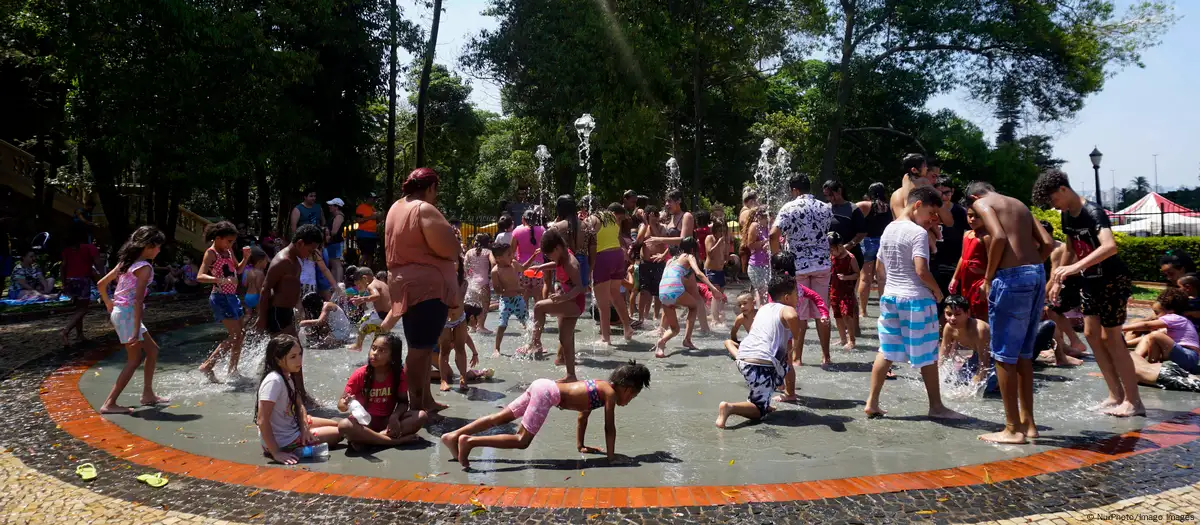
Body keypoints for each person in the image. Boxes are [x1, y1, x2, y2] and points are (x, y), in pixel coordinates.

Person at [1034, 169, 1144, 418]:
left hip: (1112, 280)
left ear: (1063, 189)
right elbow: (1071, 250)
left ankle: (1134, 401)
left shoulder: (1092, 212)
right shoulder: (1067, 216)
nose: (1053, 205)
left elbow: (1109, 247)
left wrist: (1075, 267)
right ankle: (1115, 395)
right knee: (1092, 335)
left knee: (1112, 338)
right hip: (1090, 281)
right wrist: (1055, 279)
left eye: (1053, 199)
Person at [963, 181, 1053, 443]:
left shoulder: (982, 203)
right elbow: (1047, 243)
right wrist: (1027, 266)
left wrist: (990, 278)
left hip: (1011, 279)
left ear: (974, 196)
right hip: (1036, 273)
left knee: (1003, 356)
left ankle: (1012, 429)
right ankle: (1029, 424)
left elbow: (999, 237)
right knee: (1024, 354)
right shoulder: (1020, 204)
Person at [440, 361, 651, 468]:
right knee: (522, 441)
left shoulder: (599, 386)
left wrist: (581, 445)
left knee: (499, 418)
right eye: (632, 397)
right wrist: (611, 457)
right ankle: (469, 442)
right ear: (627, 389)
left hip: (542, 385)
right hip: (548, 393)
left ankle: (453, 436)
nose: (629, 401)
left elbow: (582, 415)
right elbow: (609, 427)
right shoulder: (610, 394)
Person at [863, 187, 960, 420]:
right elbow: (921, 270)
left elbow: (879, 267)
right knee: (928, 354)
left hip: (891, 298)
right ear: (918, 205)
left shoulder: (888, 228)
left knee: (885, 351)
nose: (933, 219)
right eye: (931, 212)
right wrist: (938, 292)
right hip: (916, 299)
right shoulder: (916, 233)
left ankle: (872, 402)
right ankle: (936, 407)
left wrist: (885, 294)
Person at [382, 168, 461, 416]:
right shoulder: (422, 208)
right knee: (419, 350)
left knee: (424, 347)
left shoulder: (396, 207)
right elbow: (449, 249)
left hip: (408, 284)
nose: (436, 196)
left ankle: (426, 399)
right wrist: (455, 240)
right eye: (436, 190)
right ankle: (414, 405)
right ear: (430, 187)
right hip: (426, 287)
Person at [96, 226, 170, 414]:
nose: (159, 250)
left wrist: (108, 303)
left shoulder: (125, 263)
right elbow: (138, 301)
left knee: (152, 350)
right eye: (157, 247)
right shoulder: (144, 267)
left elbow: (101, 284)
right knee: (134, 359)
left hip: (122, 313)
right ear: (147, 246)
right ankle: (109, 403)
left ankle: (148, 394)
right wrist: (136, 329)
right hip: (128, 315)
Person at [717, 273, 803, 428]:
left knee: (780, 365)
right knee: (759, 411)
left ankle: (764, 398)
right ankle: (729, 408)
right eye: (796, 294)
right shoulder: (787, 309)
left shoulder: (763, 309)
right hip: (760, 363)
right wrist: (796, 340)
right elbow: (792, 316)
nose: (798, 298)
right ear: (787, 297)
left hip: (745, 358)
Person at [257, 224, 325, 405]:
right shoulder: (282, 261)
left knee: (284, 355)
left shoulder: (296, 260)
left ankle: (286, 393)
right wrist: (262, 318)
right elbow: (265, 289)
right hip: (277, 313)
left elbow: (292, 288)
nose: (312, 253)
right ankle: (298, 395)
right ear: (301, 243)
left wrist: (298, 309)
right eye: (311, 249)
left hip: (286, 312)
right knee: (293, 352)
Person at [770, 174, 833, 368]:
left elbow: (773, 234)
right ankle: (826, 357)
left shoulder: (789, 208)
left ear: (794, 190)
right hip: (822, 264)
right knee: (822, 310)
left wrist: (777, 259)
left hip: (798, 267)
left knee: (799, 313)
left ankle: (797, 358)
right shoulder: (825, 207)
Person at [255, 334, 342, 465]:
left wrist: (304, 427)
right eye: (293, 357)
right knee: (339, 433)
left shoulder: (286, 376)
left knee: (337, 424)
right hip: (283, 440)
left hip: (292, 424)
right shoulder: (274, 381)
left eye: (300, 354)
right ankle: (293, 447)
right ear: (278, 359)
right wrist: (276, 452)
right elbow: (262, 420)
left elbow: (299, 402)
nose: (299, 360)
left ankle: (303, 438)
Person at [337, 334, 428, 449]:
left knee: (421, 416)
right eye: (373, 348)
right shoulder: (360, 374)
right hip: (363, 423)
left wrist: (394, 417)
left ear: (392, 356)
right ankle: (394, 441)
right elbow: (340, 406)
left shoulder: (398, 374)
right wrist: (345, 403)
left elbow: (403, 402)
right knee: (345, 426)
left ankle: (371, 439)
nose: (374, 353)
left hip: (387, 422)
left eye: (382, 350)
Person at [521, 229, 586, 382]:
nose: (548, 258)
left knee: (539, 307)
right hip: (569, 301)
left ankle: (535, 343)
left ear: (557, 248)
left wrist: (563, 297)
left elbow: (580, 287)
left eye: (549, 254)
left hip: (574, 302)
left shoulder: (571, 263)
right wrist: (541, 267)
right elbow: (556, 264)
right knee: (565, 339)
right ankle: (571, 375)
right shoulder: (561, 256)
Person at [197, 221, 252, 383]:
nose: (231, 244)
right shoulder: (211, 253)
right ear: (218, 238)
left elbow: (238, 270)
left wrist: (246, 257)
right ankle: (208, 365)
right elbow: (200, 276)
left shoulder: (228, 250)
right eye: (229, 241)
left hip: (232, 297)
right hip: (220, 297)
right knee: (235, 335)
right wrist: (220, 279)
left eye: (233, 241)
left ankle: (232, 371)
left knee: (240, 336)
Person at [656, 237, 725, 357]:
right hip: (674, 290)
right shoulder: (689, 256)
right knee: (694, 306)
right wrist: (713, 289)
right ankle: (687, 339)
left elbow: (677, 276)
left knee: (675, 329)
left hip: (662, 293)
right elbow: (698, 273)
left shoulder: (671, 260)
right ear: (693, 249)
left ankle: (661, 343)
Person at [1041, 220, 1087, 366]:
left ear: (1050, 234)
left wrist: (1043, 294)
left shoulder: (1056, 249)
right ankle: (1062, 345)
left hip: (1068, 281)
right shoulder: (1046, 247)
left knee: (1051, 310)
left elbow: (1055, 275)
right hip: (1065, 281)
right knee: (1053, 312)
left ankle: (1073, 342)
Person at [1123, 289, 1200, 373]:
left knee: (1155, 335)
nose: (1156, 317)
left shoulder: (1175, 318)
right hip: (1184, 357)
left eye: (1157, 313)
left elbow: (1147, 325)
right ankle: (1142, 363)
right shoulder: (1176, 325)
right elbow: (1146, 338)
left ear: (1171, 311)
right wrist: (1126, 343)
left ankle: (1137, 364)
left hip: (1188, 356)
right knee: (1152, 337)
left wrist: (1121, 328)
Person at [592, 204, 634, 344]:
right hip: (617, 256)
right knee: (615, 294)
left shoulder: (594, 218)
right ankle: (627, 328)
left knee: (602, 301)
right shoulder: (614, 219)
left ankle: (606, 338)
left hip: (603, 257)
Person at [939, 294, 997, 393]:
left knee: (983, 387)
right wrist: (936, 375)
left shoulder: (979, 330)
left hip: (994, 359)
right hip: (974, 357)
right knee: (952, 380)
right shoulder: (949, 328)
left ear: (967, 313)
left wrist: (972, 387)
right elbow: (943, 356)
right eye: (948, 314)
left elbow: (984, 364)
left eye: (957, 314)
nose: (952, 318)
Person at [438, 257, 478, 392]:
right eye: (449, 262)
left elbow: (457, 299)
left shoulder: (463, 283)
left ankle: (463, 378)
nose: (452, 264)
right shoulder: (441, 281)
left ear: (459, 266)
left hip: (459, 318)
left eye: (455, 262)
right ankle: (443, 380)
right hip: (444, 319)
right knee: (444, 350)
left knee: (460, 348)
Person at [855, 183, 892, 318]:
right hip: (884, 243)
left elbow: (850, 209)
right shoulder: (890, 207)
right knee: (882, 279)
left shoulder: (865, 205)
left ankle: (862, 311)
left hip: (868, 242)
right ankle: (884, 312)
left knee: (865, 278)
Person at [948, 205, 989, 321]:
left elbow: (993, 261)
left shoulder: (986, 237)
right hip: (966, 280)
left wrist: (986, 282)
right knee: (967, 308)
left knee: (980, 310)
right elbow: (963, 257)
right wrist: (955, 278)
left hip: (979, 280)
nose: (972, 219)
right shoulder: (966, 234)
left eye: (977, 217)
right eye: (970, 216)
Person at [60, 227, 99, 346]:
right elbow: (98, 265)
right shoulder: (89, 248)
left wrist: (63, 283)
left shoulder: (66, 250)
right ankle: (66, 330)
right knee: (83, 309)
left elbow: (63, 266)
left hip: (70, 280)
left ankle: (79, 335)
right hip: (83, 280)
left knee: (78, 308)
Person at [932, 176, 969, 298]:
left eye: (946, 192)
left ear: (952, 191)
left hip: (953, 262)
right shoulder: (929, 210)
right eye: (939, 193)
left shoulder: (961, 212)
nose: (942, 197)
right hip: (933, 262)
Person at [490, 243, 529, 356]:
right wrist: (517, 289)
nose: (512, 256)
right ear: (498, 258)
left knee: (528, 323)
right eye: (508, 254)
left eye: (512, 253)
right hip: (506, 301)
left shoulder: (514, 264)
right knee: (502, 325)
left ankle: (533, 343)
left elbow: (524, 268)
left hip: (518, 299)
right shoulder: (495, 271)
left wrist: (534, 256)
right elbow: (498, 291)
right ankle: (496, 348)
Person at [550, 195, 595, 289]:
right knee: (579, 301)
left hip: (564, 270)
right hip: (583, 268)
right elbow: (592, 256)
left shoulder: (556, 228)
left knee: (563, 300)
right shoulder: (589, 227)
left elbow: (550, 252)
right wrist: (588, 272)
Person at [635, 205, 668, 328]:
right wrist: (645, 224)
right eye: (651, 216)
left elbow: (661, 241)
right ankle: (641, 317)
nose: (654, 218)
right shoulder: (643, 227)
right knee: (644, 292)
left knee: (658, 292)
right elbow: (638, 241)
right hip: (645, 263)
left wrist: (652, 224)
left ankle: (655, 316)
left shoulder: (662, 228)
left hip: (659, 263)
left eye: (656, 216)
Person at [346, 267, 390, 351]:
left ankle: (358, 345)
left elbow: (376, 296)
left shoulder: (371, 285)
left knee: (362, 325)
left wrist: (361, 299)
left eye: (359, 284)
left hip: (380, 316)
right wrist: (361, 298)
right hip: (387, 316)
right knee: (378, 337)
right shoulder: (381, 283)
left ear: (365, 278)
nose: (359, 287)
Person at [829, 232, 859, 350]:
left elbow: (858, 274)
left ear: (840, 246)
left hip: (846, 291)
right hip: (834, 291)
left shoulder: (850, 258)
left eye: (832, 249)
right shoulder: (832, 257)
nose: (831, 252)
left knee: (847, 315)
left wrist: (846, 277)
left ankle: (851, 340)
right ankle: (842, 339)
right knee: (837, 316)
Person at [823, 180, 866, 266]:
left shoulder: (853, 209)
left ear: (839, 191)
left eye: (831, 195)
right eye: (826, 196)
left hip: (850, 257)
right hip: (830, 257)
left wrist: (848, 246)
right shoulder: (825, 208)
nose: (829, 198)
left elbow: (862, 232)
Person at [513, 209, 546, 306]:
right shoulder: (542, 230)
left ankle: (524, 318)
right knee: (538, 295)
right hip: (538, 266)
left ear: (523, 219)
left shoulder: (517, 231)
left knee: (524, 294)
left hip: (523, 266)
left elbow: (511, 252)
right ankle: (539, 318)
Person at [465, 233, 494, 334]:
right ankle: (481, 326)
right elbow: (494, 263)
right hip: (483, 283)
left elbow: (465, 267)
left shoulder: (469, 252)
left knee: (473, 306)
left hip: (471, 284)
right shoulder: (488, 252)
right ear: (487, 242)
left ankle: (472, 327)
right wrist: (492, 274)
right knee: (484, 306)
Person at [704, 221, 731, 327]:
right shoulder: (710, 238)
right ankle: (714, 319)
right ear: (714, 230)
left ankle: (716, 315)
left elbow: (724, 255)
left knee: (721, 295)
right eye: (720, 230)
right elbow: (710, 253)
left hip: (720, 270)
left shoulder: (723, 240)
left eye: (724, 231)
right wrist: (719, 242)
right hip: (711, 270)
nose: (722, 233)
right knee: (716, 294)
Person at [744, 207, 772, 306]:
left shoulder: (767, 227)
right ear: (760, 217)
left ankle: (763, 314)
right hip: (756, 266)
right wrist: (764, 242)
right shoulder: (755, 226)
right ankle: (761, 315)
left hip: (766, 265)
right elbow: (750, 245)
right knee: (760, 292)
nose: (769, 220)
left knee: (766, 292)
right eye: (767, 218)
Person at [354, 194, 381, 269]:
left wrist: (378, 217)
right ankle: (358, 269)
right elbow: (358, 220)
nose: (373, 200)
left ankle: (369, 271)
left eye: (374, 199)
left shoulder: (373, 209)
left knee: (370, 254)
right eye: (372, 198)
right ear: (367, 198)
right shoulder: (361, 207)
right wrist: (370, 217)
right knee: (365, 253)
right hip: (364, 234)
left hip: (372, 235)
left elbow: (377, 221)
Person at [243, 248, 268, 327]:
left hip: (248, 296)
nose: (267, 263)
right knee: (259, 315)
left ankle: (241, 329)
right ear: (260, 262)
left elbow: (245, 284)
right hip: (256, 296)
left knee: (248, 315)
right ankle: (257, 330)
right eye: (266, 261)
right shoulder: (260, 273)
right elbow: (259, 288)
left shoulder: (247, 271)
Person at [324, 198, 347, 284]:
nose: (329, 207)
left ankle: (339, 283)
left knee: (337, 264)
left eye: (331, 205)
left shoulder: (339, 216)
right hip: (332, 243)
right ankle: (334, 283)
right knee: (333, 264)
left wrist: (327, 234)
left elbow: (334, 232)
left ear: (336, 207)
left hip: (336, 243)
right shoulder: (334, 216)